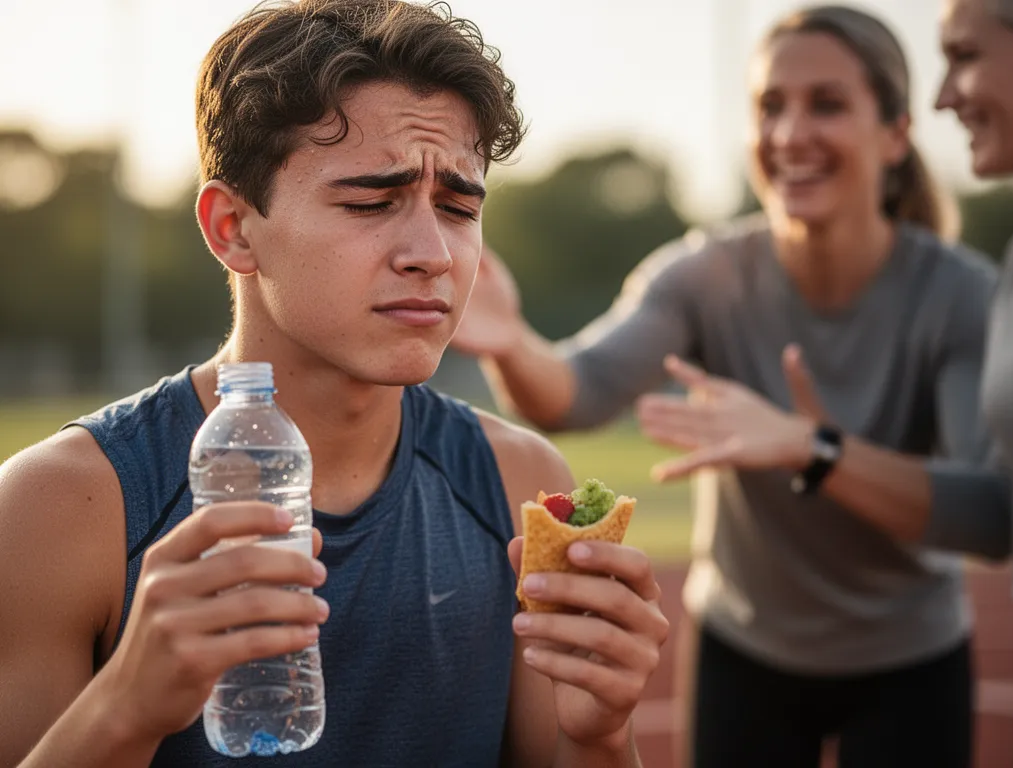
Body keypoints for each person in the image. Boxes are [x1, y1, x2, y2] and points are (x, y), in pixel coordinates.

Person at [0, 2, 670, 766]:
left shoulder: (518, 483)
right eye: (369, 202)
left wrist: (599, 735)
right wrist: (125, 708)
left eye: (457, 207)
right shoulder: (60, 508)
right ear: (232, 228)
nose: (432, 253)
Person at [451, 5, 1001, 767]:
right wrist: (511, 344)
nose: (789, 134)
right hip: (746, 648)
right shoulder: (704, 275)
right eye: (769, 107)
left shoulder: (962, 294)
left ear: (897, 134)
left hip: (911, 653)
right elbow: (575, 394)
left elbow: (989, 513)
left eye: (828, 104)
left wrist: (814, 450)